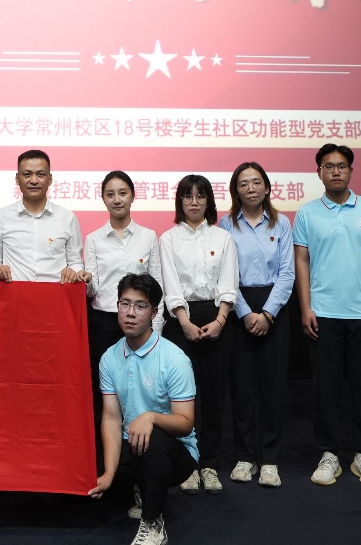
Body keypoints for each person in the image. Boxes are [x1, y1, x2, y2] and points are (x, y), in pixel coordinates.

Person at [294, 143, 361, 488]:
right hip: (323, 315)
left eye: (341, 166)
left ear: (351, 170)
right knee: (326, 390)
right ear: (319, 173)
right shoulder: (307, 213)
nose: (335, 171)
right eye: (328, 166)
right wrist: (306, 307)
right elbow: (301, 261)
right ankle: (329, 455)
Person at [88, 273, 198, 545]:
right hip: (131, 443)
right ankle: (139, 486)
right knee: (91, 460)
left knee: (151, 438)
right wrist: (109, 474)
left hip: (175, 451)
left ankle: (153, 522)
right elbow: (111, 418)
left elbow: (185, 423)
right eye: (124, 304)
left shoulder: (174, 358)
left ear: (154, 313)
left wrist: (151, 417)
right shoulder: (109, 357)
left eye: (140, 306)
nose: (130, 313)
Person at [158, 174, 238, 496]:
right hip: (181, 321)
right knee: (182, 397)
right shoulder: (168, 239)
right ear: (180, 201)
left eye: (200, 196)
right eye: (188, 196)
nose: (194, 202)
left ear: (208, 201)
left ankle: (210, 464)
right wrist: (184, 321)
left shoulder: (223, 237)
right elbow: (170, 284)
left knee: (215, 396)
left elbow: (229, 283)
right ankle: (188, 464)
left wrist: (220, 320)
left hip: (218, 319)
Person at [218, 161, 295, 489]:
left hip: (274, 308)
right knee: (242, 388)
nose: (250, 188)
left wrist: (267, 314)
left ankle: (270, 459)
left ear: (266, 187)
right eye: (243, 183)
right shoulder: (225, 224)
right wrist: (246, 313)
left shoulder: (282, 223)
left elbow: (287, 273)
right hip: (238, 308)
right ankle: (245, 457)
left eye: (256, 182)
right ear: (235, 191)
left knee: (273, 387)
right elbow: (225, 274)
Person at [84, 172, 162, 443]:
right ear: (103, 199)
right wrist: (85, 280)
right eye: (110, 194)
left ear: (132, 196)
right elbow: (92, 290)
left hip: (140, 324)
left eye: (122, 193)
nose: (117, 199)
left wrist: (156, 331)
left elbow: (157, 287)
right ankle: (106, 455)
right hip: (104, 322)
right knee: (105, 391)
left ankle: (139, 450)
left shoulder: (148, 237)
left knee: (142, 388)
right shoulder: (94, 239)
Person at [0, 149, 86, 284]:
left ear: (50, 179)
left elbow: (75, 262)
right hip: (15, 294)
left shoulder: (67, 218)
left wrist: (73, 272)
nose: (34, 181)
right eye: (27, 174)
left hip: (55, 294)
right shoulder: (1, 217)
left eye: (40, 174)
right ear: (17, 179)